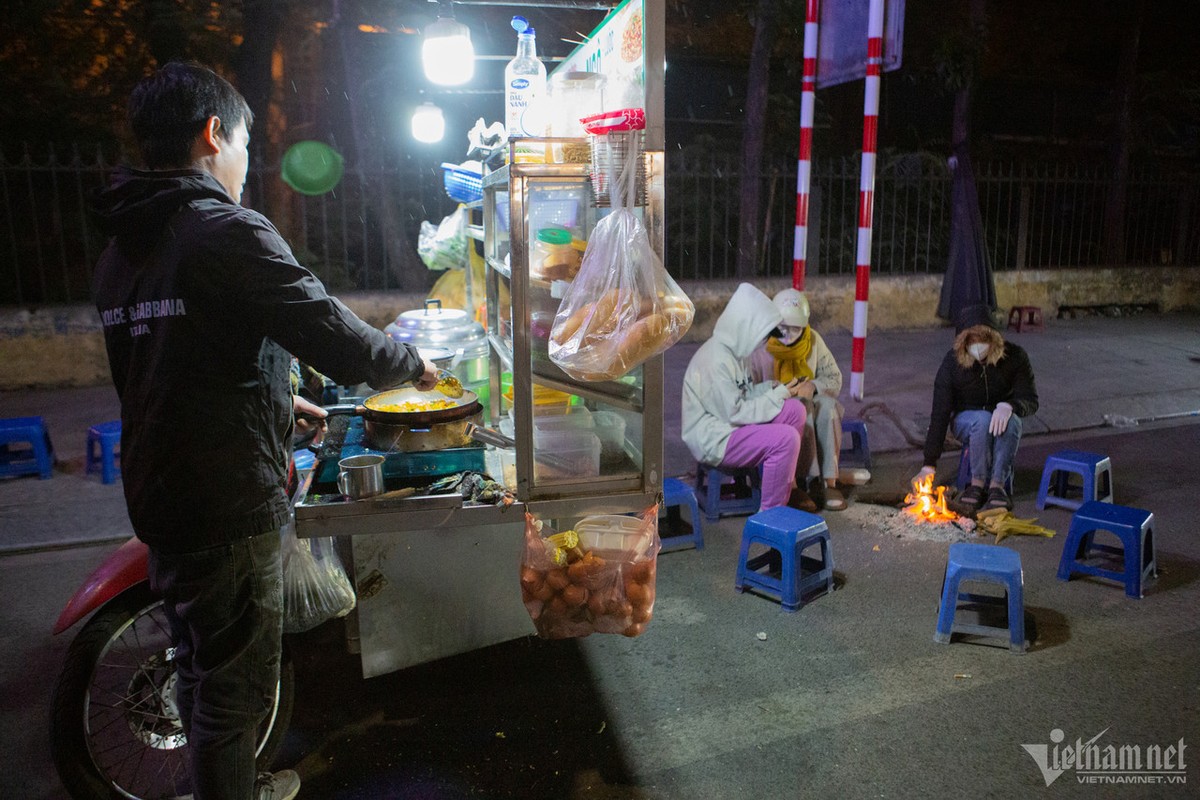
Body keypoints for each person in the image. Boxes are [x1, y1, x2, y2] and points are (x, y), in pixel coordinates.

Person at [91, 62, 439, 800]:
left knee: (200, 664)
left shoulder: (124, 246)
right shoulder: (223, 229)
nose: (248, 166)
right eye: (246, 143)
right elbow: (328, 332)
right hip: (224, 503)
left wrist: (282, 405)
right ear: (214, 134)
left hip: (159, 490)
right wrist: (411, 365)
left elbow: (179, 365)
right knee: (230, 697)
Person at [681, 283, 812, 513]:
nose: (764, 341)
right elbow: (735, 412)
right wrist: (778, 394)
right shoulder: (715, 360)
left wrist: (770, 389)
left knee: (795, 411)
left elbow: (741, 394)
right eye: (762, 334)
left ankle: (785, 487)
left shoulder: (736, 352)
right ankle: (770, 515)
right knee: (786, 439)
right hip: (716, 437)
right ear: (746, 328)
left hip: (728, 424)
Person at [913, 304, 1039, 512]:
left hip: (1000, 417)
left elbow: (1030, 399)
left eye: (983, 339)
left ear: (993, 339)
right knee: (981, 420)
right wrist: (929, 464)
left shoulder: (1015, 357)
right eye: (972, 340)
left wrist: (1010, 405)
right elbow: (940, 413)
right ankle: (977, 483)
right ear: (963, 341)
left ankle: (998, 486)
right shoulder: (952, 363)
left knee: (1012, 421)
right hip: (966, 419)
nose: (978, 345)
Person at [750, 288, 858, 510]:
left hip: (810, 404)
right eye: (782, 328)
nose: (789, 334)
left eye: (795, 329)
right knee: (797, 409)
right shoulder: (758, 347)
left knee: (827, 407)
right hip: (771, 410)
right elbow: (744, 390)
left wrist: (814, 385)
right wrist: (776, 390)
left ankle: (828, 482)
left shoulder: (814, 341)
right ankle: (794, 485)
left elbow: (834, 378)